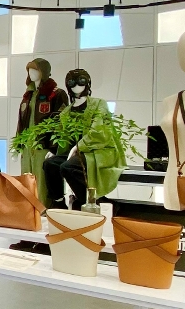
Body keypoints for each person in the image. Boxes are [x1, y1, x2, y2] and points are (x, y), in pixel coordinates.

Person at [43, 68, 126, 209]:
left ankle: (91, 202)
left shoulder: (99, 104)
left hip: (98, 151)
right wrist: (55, 151)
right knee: (50, 164)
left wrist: (78, 146)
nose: (76, 85)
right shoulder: (66, 112)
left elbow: (98, 131)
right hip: (77, 153)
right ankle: (58, 204)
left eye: (81, 80)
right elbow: (65, 138)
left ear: (87, 82)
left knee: (68, 167)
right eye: (72, 82)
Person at [15, 58, 66, 204]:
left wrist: (54, 148)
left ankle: (43, 209)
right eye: (29, 70)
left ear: (44, 72)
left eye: (35, 70)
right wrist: (17, 145)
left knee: (41, 180)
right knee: (26, 178)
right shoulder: (28, 96)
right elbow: (21, 121)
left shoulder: (57, 94)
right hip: (27, 145)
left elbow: (60, 122)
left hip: (43, 145)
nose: (31, 73)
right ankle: (27, 209)